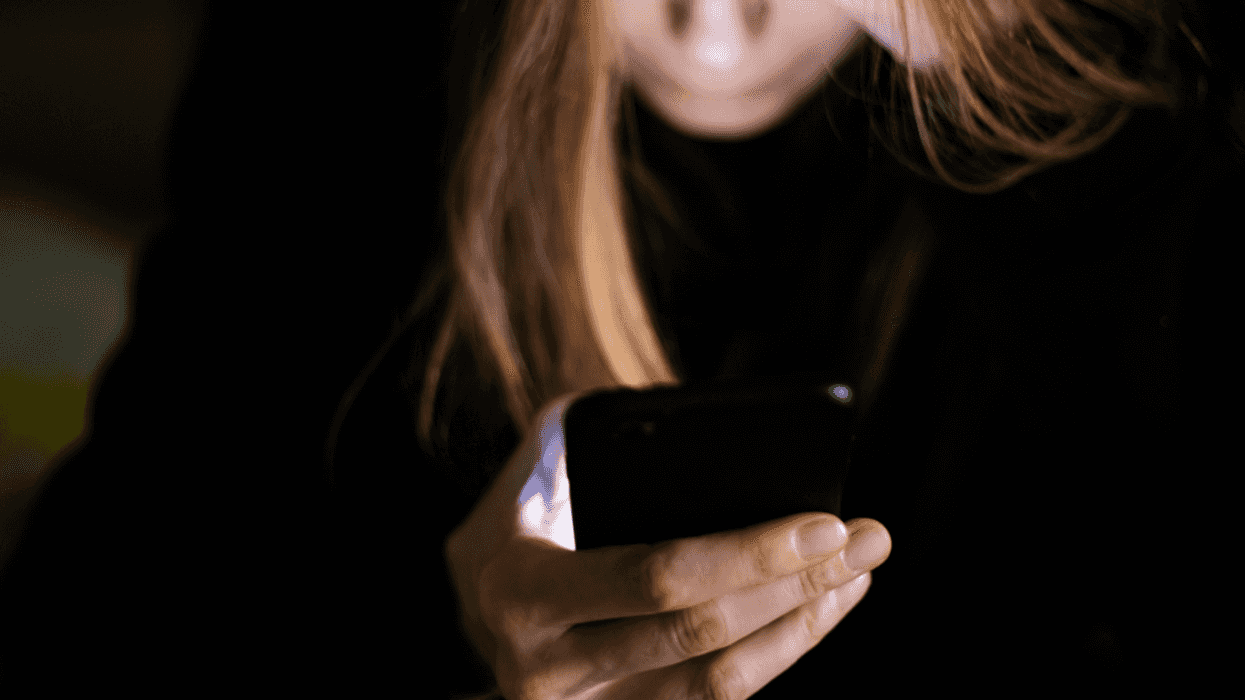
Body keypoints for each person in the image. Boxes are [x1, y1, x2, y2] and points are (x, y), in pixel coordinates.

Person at [0, 1, 1239, 697]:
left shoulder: (1171, 93)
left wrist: (1038, 127)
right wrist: (456, 643)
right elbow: (108, 602)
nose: (713, 34)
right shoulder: (346, 68)